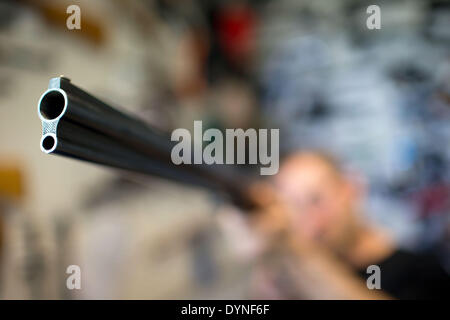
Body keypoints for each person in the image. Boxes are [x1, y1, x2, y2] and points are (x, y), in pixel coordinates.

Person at [249, 151, 450, 299]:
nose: (308, 218)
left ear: (350, 188)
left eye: (315, 200)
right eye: (292, 207)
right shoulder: (295, 278)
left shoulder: (420, 270)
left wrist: (298, 250)